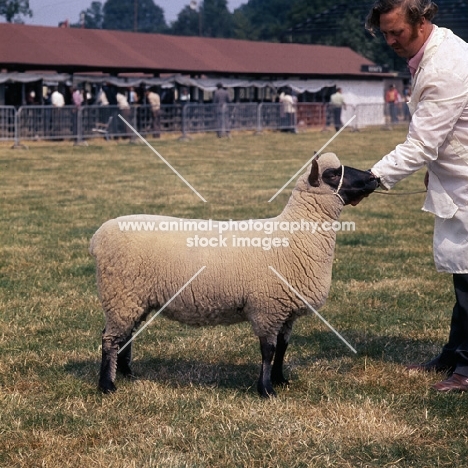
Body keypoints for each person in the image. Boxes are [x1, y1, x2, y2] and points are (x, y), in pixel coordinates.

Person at [365, 0, 468, 392]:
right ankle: (453, 356)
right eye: (385, 32)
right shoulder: (434, 53)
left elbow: (421, 143)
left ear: (422, 21)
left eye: (397, 32)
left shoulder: (445, 65)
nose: (390, 40)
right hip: (458, 175)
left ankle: (466, 369)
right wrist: (433, 169)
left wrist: (372, 179)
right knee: (464, 272)